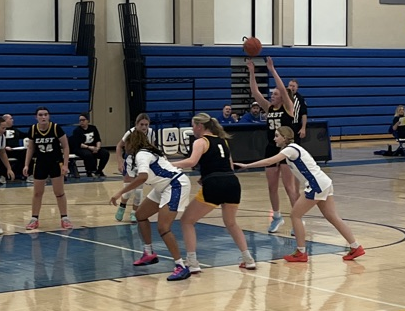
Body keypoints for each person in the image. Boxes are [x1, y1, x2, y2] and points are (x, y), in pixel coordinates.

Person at [236, 126, 364, 263]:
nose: (274, 139)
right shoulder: (294, 149)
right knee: (333, 217)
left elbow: (269, 161)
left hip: (316, 184)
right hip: (324, 182)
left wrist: (246, 166)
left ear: (284, 138)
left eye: (277, 135)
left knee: (295, 215)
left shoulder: (290, 149)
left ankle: (301, 252)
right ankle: (355, 246)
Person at [171, 113, 256, 274]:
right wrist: (206, 177)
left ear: (199, 126)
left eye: (193, 125)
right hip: (232, 183)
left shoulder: (200, 141)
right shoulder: (223, 141)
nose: (192, 129)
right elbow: (229, 166)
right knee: (231, 223)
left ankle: (192, 261)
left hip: (215, 184)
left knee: (187, 221)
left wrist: (169, 164)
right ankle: (248, 259)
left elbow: (191, 162)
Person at [109, 129, 191, 281]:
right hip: (162, 187)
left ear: (132, 143)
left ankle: (181, 265)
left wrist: (119, 193)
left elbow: (143, 177)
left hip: (175, 185)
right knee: (140, 215)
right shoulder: (143, 154)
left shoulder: (142, 154)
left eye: (126, 143)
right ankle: (149, 253)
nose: (124, 146)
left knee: (163, 227)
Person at [247, 56, 298, 233]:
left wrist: (272, 69)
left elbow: (283, 89)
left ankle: (297, 218)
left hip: (287, 149)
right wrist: (252, 72)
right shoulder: (269, 108)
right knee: (271, 186)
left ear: (283, 97)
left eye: (275, 94)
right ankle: (276, 217)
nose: (273, 95)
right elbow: (255, 92)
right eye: (272, 94)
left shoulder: (288, 107)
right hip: (271, 147)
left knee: (289, 186)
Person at [23, 106, 73, 231]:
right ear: (36, 117)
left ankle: (64, 218)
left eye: (45, 114)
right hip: (40, 164)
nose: (43, 117)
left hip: (55, 163)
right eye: (40, 115)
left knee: (59, 193)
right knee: (37, 193)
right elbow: (30, 148)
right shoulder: (33, 129)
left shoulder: (56, 128)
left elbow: (66, 147)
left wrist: (65, 164)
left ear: (49, 116)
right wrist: (26, 164)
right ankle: (34, 219)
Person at [114, 113, 157, 222]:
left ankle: (134, 212)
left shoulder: (151, 133)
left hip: (142, 162)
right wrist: (120, 162)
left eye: (146, 125)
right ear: (136, 124)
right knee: (128, 190)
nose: (144, 127)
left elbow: (152, 147)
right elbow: (119, 146)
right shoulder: (130, 133)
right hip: (130, 162)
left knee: (138, 191)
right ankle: (122, 206)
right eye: (141, 124)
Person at [0, 113, 25, 184]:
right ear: (5, 120)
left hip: (15, 150)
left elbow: (25, 135)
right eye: (11, 119)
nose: (13, 120)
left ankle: (20, 173)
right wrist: (4, 147)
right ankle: (2, 176)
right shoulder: (0, 131)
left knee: (26, 154)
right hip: (4, 150)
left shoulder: (15, 130)